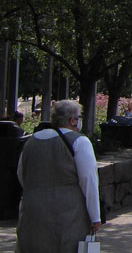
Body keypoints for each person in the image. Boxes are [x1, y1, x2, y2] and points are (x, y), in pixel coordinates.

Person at [17, 100, 101, 252]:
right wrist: (95, 216)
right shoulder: (80, 142)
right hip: (69, 214)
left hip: (32, 213)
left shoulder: (31, 141)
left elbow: (22, 175)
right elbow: (88, 180)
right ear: (72, 120)